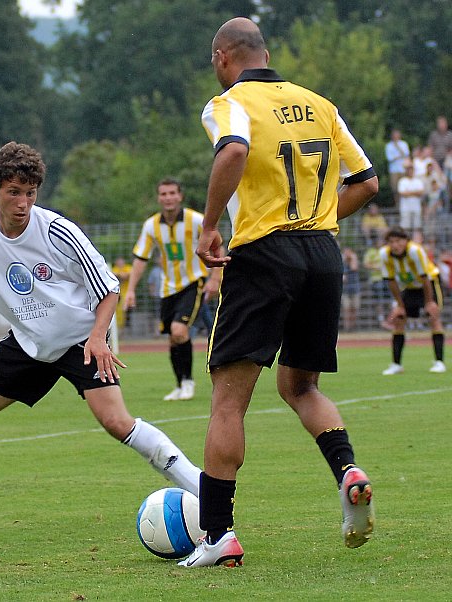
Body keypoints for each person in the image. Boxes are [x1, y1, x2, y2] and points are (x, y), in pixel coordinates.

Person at [0, 142, 202, 529]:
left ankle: (205, 491)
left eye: (30, 193)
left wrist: (96, 336)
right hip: (29, 343)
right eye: (13, 193)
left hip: (79, 340)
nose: (23, 203)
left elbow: (109, 289)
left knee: (116, 422)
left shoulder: (59, 232)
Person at [183, 18, 379, 568]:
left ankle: (218, 535)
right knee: (300, 386)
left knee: (229, 399)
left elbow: (234, 152)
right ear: (265, 53)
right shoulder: (319, 103)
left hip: (264, 256)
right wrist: (316, 220)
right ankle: (348, 471)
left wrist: (209, 226)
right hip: (322, 255)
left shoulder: (229, 102)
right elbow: (366, 181)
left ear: (223, 58)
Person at [123, 178, 221, 401]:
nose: (168, 198)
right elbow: (140, 258)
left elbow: (217, 245)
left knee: (179, 330)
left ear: (180, 196)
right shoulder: (151, 226)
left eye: (172, 193)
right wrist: (130, 290)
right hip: (167, 288)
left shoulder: (196, 221)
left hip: (193, 282)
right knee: (172, 338)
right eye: (163, 194)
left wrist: (215, 277)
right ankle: (179, 385)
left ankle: (188, 382)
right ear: (158, 198)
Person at [379, 227, 446, 375]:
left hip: (429, 283)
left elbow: (425, 278)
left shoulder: (415, 251)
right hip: (409, 287)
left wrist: (429, 302)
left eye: (398, 241)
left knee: (433, 317)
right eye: (391, 242)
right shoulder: (384, 254)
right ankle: (396, 364)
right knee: (399, 319)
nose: (395, 245)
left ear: (406, 241)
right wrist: (400, 305)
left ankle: (439, 362)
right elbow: (391, 281)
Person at [397, 162, 425, 236]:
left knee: (417, 226)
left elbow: (421, 192)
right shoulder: (402, 181)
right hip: (405, 208)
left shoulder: (418, 181)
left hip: (416, 207)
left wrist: (409, 192)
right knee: (405, 226)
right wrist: (415, 193)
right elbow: (402, 193)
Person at [385, 128, 410, 205]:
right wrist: (398, 156)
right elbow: (389, 158)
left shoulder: (403, 144)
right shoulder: (388, 146)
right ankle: (397, 204)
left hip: (403, 169)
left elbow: (406, 154)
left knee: (404, 188)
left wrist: (398, 148)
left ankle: (404, 204)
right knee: (395, 189)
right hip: (394, 170)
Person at [341, 247, 361, 332]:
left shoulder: (354, 260)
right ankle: (347, 328)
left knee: (354, 309)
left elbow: (354, 267)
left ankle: (353, 327)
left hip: (355, 289)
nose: (347, 254)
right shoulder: (341, 262)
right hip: (345, 290)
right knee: (346, 309)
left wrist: (353, 258)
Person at [111, 256, 132, 330]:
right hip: (117, 295)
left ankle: (125, 329)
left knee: (127, 313)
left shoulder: (128, 267)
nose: (120, 263)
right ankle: (119, 329)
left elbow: (126, 275)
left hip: (127, 295)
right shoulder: (115, 268)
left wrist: (118, 274)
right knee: (118, 312)